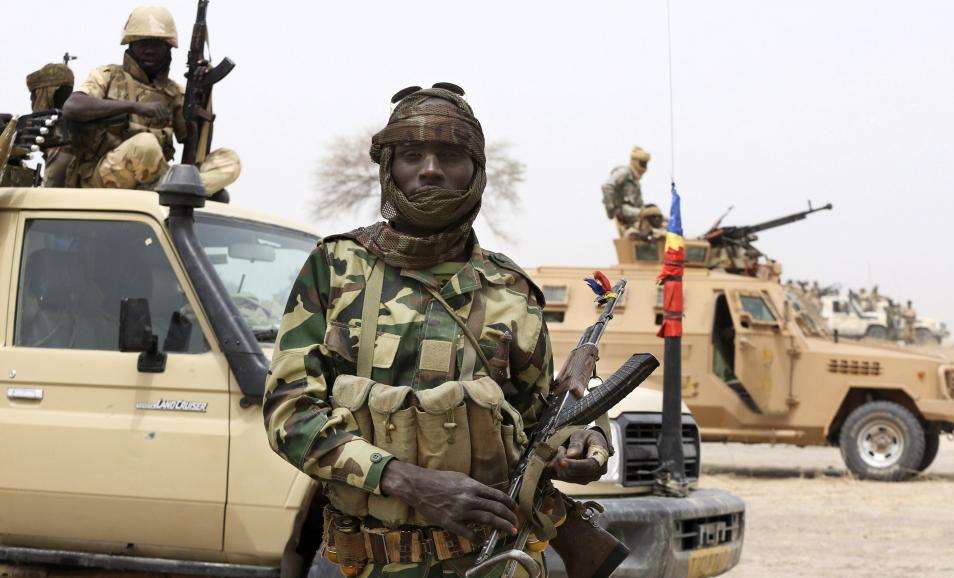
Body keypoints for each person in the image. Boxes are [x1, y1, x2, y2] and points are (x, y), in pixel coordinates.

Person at [264, 84, 609, 578]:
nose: (430, 168)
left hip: (490, 559)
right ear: (389, 168)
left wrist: (583, 445)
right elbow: (288, 414)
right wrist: (404, 480)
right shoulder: (335, 267)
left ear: (475, 171)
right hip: (359, 563)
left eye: (449, 154)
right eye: (411, 154)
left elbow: (538, 427)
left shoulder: (511, 290)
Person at [60, 5, 239, 194]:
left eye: (157, 44)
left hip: (155, 177)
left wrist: (203, 92)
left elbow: (196, 146)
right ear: (131, 45)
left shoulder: (174, 93)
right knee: (144, 144)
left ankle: (179, 191)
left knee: (229, 160)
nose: (150, 50)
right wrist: (135, 107)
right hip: (104, 175)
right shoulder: (107, 76)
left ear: (168, 49)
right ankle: (179, 190)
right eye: (143, 43)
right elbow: (73, 107)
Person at [26, 62, 76, 186]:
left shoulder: (60, 140)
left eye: (33, 96)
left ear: (45, 95)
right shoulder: (77, 123)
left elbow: (50, 193)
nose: (32, 102)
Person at [601, 145, 651, 236]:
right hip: (622, 209)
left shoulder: (635, 180)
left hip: (633, 210)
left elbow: (639, 203)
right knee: (647, 214)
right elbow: (607, 186)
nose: (645, 167)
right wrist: (611, 209)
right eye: (643, 164)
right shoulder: (624, 173)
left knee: (657, 216)